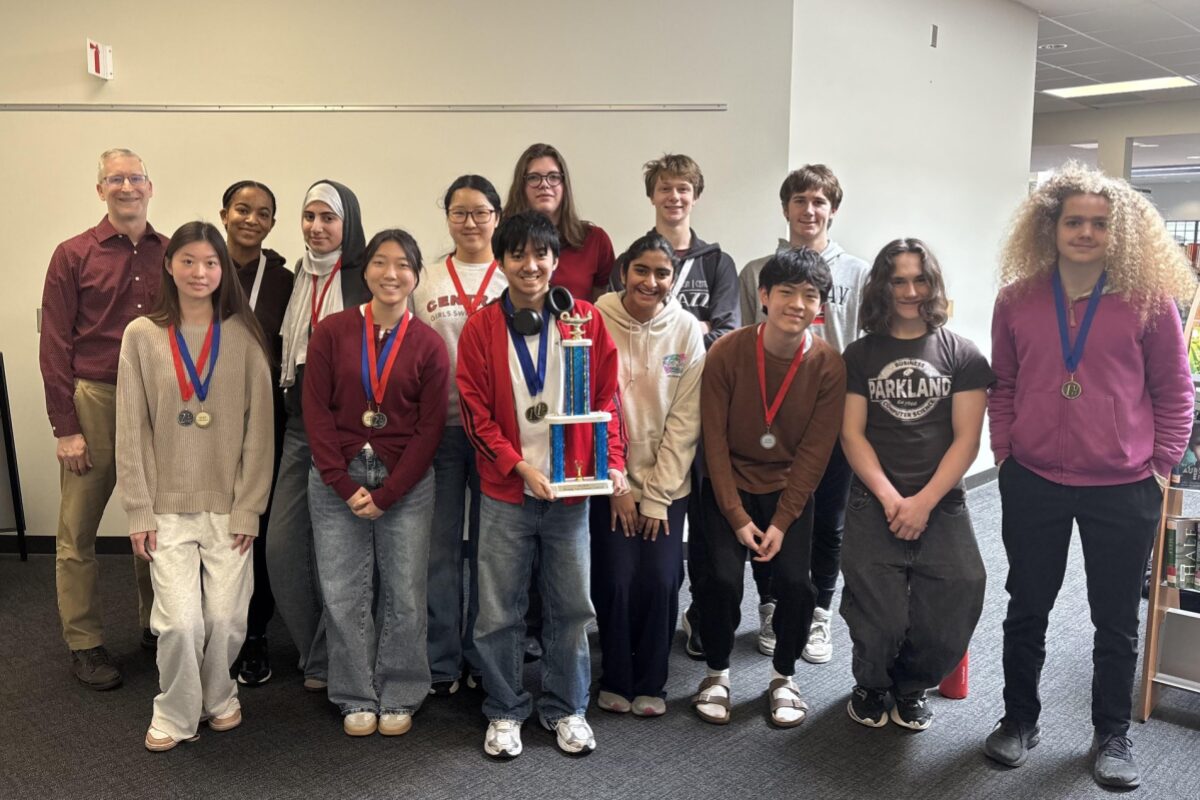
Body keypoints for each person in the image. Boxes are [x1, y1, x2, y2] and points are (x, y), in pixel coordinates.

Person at [985, 162, 1194, 789]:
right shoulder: (1017, 298)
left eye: (1099, 223)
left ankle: (1112, 733)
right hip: (1034, 479)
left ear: (1119, 231)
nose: (1085, 232)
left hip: (1123, 484)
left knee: (1115, 619)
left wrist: (1157, 468)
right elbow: (1005, 385)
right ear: (1050, 226)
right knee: (1027, 607)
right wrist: (1004, 453)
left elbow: (1175, 395)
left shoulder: (1149, 301)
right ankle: (1019, 719)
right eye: (1073, 220)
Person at [457, 210, 626, 758]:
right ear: (502, 261)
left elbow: (606, 400)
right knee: (499, 608)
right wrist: (517, 466)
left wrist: (612, 460)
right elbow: (475, 412)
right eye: (517, 255)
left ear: (556, 260)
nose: (530, 266)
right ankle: (505, 709)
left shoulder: (584, 320)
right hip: (507, 491)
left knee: (571, 606)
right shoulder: (482, 327)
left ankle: (566, 707)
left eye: (541, 255)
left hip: (571, 493)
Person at [115, 221, 273, 751]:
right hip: (166, 507)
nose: (199, 272)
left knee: (226, 619)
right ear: (169, 265)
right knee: (181, 625)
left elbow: (260, 433)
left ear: (222, 269)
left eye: (210, 262)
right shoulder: (141, 336)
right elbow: (130, 429)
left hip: (229, 507)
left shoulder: (245, 336)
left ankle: (219, 695)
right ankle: (176, 712)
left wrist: (249, 508)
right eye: (188, 261)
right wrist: (138, 510)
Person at [839, 239, 991, 732]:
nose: (909, 290)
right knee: (877, 614)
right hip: (872, 499)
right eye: (898, 280)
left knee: (961, 592)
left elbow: (967, 441)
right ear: (882, 285)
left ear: (933, 285)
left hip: (942, 501)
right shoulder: (860, 355)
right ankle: (872, 683)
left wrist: (924, 502)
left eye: (919, 279)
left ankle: (911, 685)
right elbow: (852, 433)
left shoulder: (962, 354)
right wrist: (890, 497)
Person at [690, 247, 844, 728]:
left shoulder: (828, 364)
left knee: (798, 585)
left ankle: (784, 677)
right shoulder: (728, 351)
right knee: (720, 580)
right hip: (726, 484)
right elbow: (712, 440)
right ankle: (716, 673)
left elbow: (815, 453)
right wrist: (736, 517)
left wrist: (781, 521)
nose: (798, 303)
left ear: (820, 305)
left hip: (786, 489)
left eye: (810, 295)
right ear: (763, 296)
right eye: (786, 292)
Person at [304, 229, 449, 737]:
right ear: (364, 271)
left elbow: (430, 429)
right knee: (343, 590)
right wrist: (343, 484)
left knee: (405, 592)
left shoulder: (429, 344)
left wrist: (388, 493)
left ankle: (402, 689)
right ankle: (354, 693)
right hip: (336, 478)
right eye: (381, 263)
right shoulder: (331, 331)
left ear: (415, 275)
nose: (392, 274)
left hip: (404, 482)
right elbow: (315, 413)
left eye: (403, 265)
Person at [39, 148, 167, 689]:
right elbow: (54, 344)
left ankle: (157, 628)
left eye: (135, 177)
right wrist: (65, 427)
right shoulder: (73, 255)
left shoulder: (173, 252)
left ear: (149, 186)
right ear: (100, 190)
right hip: (95, 399)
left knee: (157, 526)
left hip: (160, 401)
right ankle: (85, 644)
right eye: (115, 179)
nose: (126, 187)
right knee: (77, 534)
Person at [738, 165, 870, 663]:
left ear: (832, 209)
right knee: (770, 515)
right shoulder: (757, 272)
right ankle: (771, 606)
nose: (808, 210)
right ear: (786, 208)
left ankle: (819, 616)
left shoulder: (858, 273)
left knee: (828, 523)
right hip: (773, 421)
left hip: (834, 419)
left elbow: (864, 344)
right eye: (799, 200)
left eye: (818, 201)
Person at [612, 154, 741, 662]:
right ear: (652, 195)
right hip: (634, 415)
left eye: (684, 188)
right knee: (622, 560)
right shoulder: (634, 256)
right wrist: (685, 334)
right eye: (665, 187)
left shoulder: (717, 262)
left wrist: (684, 335)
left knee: (692, 536)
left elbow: (724, 333)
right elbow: (622, 321)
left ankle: (694, 617)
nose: (675, 197)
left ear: (696, 195)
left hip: (696, 409)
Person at [592, 232, 705, 717]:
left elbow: (686, 420)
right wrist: (617, 482)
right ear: (624, 271)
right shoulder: (597, 318)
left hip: (666, 480)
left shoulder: (686, 330)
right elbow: (592, 405)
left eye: (662, 273)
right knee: (616, 578)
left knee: (660, 579)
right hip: (608, 478)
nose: (651, 281)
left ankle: (651, 681)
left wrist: (657, 496)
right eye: (642, 270)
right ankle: (616, 675)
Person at [264, 180, 367, 693]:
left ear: (348, 222)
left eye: (329, 217)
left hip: (348, 436)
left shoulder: (366, 278)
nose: (317, 227)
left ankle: (340, 657)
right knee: (282, 548)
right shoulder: (296, 276)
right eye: (309, 216)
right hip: (298, 428)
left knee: (341, 553)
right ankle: (315, 651)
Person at [411, 175, 508, 695]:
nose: (470, 223)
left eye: (480, 212)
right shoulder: (424, 279)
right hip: (443, 434)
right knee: (440, 550)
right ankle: (442, 659)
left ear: (496, 215)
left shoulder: (510, 278)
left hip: (497, 438)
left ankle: (482, 655)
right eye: (459, 213)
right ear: (446, 216)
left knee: (493, 553)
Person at [220, 180, 295, 687]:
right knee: (210, 523)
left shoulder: (285, 280)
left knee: (258, 527)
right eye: (242, 209)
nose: (251, 219)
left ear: (272, 223)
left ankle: (254, 633)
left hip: (267, 416)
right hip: (206, 417)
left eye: (263, 213)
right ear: (223, 213)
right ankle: (211, 628)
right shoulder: (198, 265)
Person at [503, 143, 614, 302]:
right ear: (521, 186)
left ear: (564, 185)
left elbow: (603, 309)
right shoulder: (502, 239)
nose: (544, 184)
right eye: (534, 177)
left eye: (553, 177)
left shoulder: (595, 240)